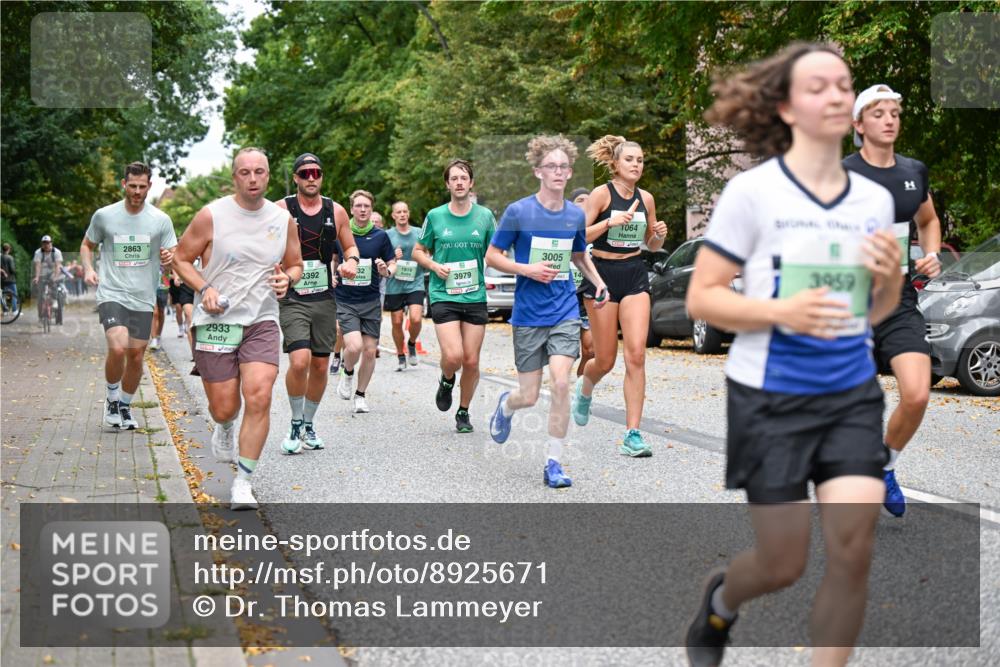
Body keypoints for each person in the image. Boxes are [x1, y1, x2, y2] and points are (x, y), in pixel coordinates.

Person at [682, 43, 902, 667]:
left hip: (850, 393)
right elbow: (701, 298)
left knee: (853, 550)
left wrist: (886, 282)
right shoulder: (754, 194)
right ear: (786, 107)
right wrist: (782, 311)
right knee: (783, 562)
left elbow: (873, 312)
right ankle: (722, 598)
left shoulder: (874, 202)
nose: (835, 95)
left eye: (843, 84)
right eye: (818, 87)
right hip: (769, 395)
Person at [173, 147, 303, 510]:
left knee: (259, 395)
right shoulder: (211, 216)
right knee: (225, 407)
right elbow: (182, 259)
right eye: (245, 172)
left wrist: (287, 281)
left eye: (259, 172)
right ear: (235, 177)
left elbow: (295, 264)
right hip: (216, 323)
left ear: (268, 175)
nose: (252, 179)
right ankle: (225, 426)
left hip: (261, 321)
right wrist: (205, 289)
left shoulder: (282, 220)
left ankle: (243, 482)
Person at [843, 84, 942, 518]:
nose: (889, 119)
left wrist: (932, 252)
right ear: (858, 125)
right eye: (878, 113)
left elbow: (929, 218)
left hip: (898, 299)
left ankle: (885, 465)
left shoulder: (913, 171)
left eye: (895, 113)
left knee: (917, 394)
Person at [486, 135, 607, 487]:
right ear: (538, 171)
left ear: (570, 173)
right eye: (551, 166)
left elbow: (579, 255)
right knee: (528, 394)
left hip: (564, 309)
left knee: (560, 383)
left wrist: (598, 282)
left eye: (564, 166)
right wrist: (527, 270)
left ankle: (553, 463)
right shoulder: (519, 212)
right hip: (527, 314)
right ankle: (506, 405)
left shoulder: (574, 215)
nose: (558, 171)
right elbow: (492, 256)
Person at [571, 136, 669, 457]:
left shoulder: (647, 199)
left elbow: (650, 245)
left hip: (634, 274)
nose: (636, 165)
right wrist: (609, 221)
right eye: (630, 160)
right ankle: (585, 389)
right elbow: (578, 236)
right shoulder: (601, 195)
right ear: (615, 164)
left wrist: (657, 237)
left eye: (640, 160)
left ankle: (633, 434)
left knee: (636, 355)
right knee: (606, 359)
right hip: (601, 275)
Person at [80, 162, 177, 430]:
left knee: (136, 356)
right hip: (112, 292)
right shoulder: (104, 216)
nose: (136, 191)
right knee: (118, 346)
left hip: (143, 296)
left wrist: (169, 260)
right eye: (132, 186)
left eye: (141, 187)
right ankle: (111, 397)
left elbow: (174, 260)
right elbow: (87, 245)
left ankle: (124, 405)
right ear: (124, 184)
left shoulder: (160, 220)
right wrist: (88, 269)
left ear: (149, 186)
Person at [276, 153, 357, 454]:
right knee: (299, 361)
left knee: (321, 366)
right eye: (305, 173)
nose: (311, 178)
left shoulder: (335, 211)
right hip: (293, 295)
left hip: (324, 295)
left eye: (316, 173)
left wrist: (351, 261)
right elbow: (263, 245)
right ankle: (295, 422)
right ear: (296, 177)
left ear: (322, 177)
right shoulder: (281, 209)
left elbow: (349, 246)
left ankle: (308, 424)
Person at [412, 159, 496, 433]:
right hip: (443, 293)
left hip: (474, 295)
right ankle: (447, 379)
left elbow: (495, 252)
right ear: (447, 183)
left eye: (464, 178)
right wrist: (434, 265)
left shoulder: (484, 216)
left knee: (471, 360)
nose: (459, 182)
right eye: (454, 178)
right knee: (454, 355)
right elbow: (418, 251)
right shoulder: (435, 216)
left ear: (471, 183)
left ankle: (463, 411)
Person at [335, 190, 396, 413]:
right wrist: (332, 274)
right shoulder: (342, 233)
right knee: (354, 346)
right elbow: (331, 259)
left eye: (367, 206)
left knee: (370, 351)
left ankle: (360, 395)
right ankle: (348, 371)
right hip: (346, 299)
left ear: (371, 209)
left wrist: (386, 270)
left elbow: (392, 262)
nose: (362, 210)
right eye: (358, 206)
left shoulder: (380, 236)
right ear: (351, 209)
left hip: (370, 300)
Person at [385, 201, 426, 371]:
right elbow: (382, 258)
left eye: (404, 211)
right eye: (398, 212)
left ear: (408, 214)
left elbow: (426, 250)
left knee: (416, 318)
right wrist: (392, 256)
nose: (402, 214)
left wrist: (425, 253)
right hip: (395, 284)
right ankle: (400, 355)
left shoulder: (418, 232)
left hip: (415, 282)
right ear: (393, 215)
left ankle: (411, 343)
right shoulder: (387, 235)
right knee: (397, 322)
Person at [568, 188, 594, 376]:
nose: (585, 202)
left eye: (589, 199)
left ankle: (580, 396)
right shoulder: (561, 229)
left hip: (587, 298)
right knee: (566, 353)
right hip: (564, 298)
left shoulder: (600, 232)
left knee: (590, 350)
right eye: (580, 199)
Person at [33, 235, 64, 321]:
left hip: (53, 272)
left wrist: (56, 277)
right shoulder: (38, 252)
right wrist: (37, 277)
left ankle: (54, 301)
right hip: (42, 274)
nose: (46, 245)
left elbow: (58, 266)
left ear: (51, 243)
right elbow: (38, 266)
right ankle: (40, 315)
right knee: (40, 295)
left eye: (48, 243)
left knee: (54, 285)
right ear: (42, 244)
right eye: (44, 243)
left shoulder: (57, 252)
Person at [149, 267, 170, 350]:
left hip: (163, 286)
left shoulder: (165, 254)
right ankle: (153, 339)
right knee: (155, 312)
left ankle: (158, 335)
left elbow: (170, 267)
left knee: (161, 312)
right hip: (150, 286)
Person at [2, 243, 18, 308]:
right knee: (14, 294)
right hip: (10, 279)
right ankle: (14, 310)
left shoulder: (0, 257)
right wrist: (15, 272)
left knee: (4, 295)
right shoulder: (10, 257)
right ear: (9, 249)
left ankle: (5, 311)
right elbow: (12, 269)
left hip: (2, 280)